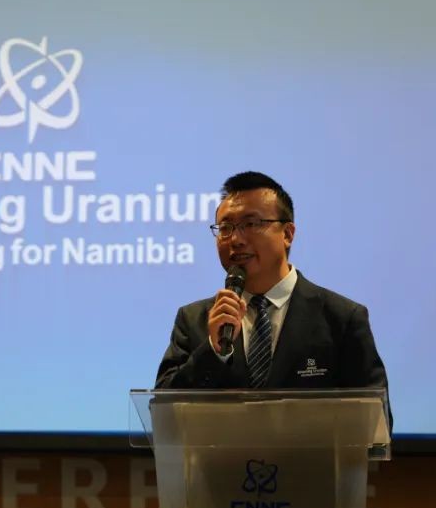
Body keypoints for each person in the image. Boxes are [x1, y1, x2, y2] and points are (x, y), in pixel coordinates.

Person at [155, 170, 390, 413]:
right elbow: (163, 411)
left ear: (287, 234)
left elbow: (375, 420)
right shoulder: (194, 320)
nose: (235, 239)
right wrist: (213, 353)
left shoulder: (341, 318)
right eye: (225, 227)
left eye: (250, 224)